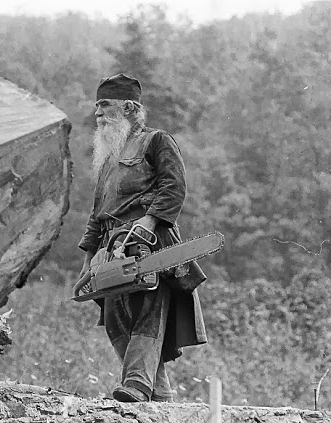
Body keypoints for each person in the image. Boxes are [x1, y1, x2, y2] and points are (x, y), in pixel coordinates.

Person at [77, 73, 208, 403]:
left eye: (104, 105)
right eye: (97, 106)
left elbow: (174, 187)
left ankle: (136, 384)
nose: (98, 113)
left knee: (147, 309)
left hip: (146, 244)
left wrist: (149, 221)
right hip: (109, 248)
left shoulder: (157, 141)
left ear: (130, 108)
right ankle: (159, 396)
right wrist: (89, 256)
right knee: (114, 320)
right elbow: (97, 212)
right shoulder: (108, 159)